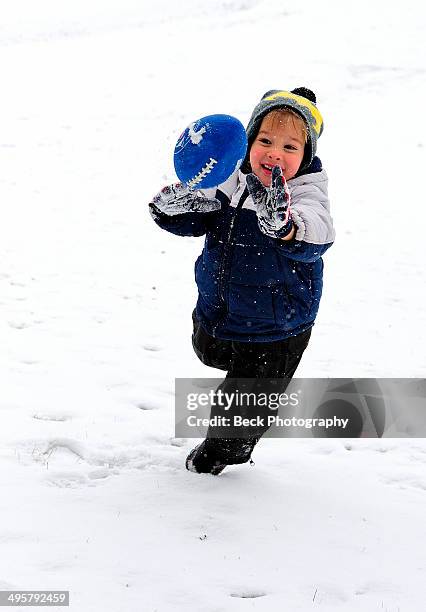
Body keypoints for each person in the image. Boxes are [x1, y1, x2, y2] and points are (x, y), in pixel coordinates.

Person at [149, 87, 335, 475]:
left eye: (290, 147)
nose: (274, 153)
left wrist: (284, 225)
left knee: (244, 405)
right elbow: (199, 214)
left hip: (278, 324)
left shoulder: (305, 192)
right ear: (249, 142)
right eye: (265, 140)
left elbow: (317, 232)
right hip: (223, 306)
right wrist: (172, 209)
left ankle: (220, 454)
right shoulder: (232, 179)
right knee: (210, 350)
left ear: (306, 156)